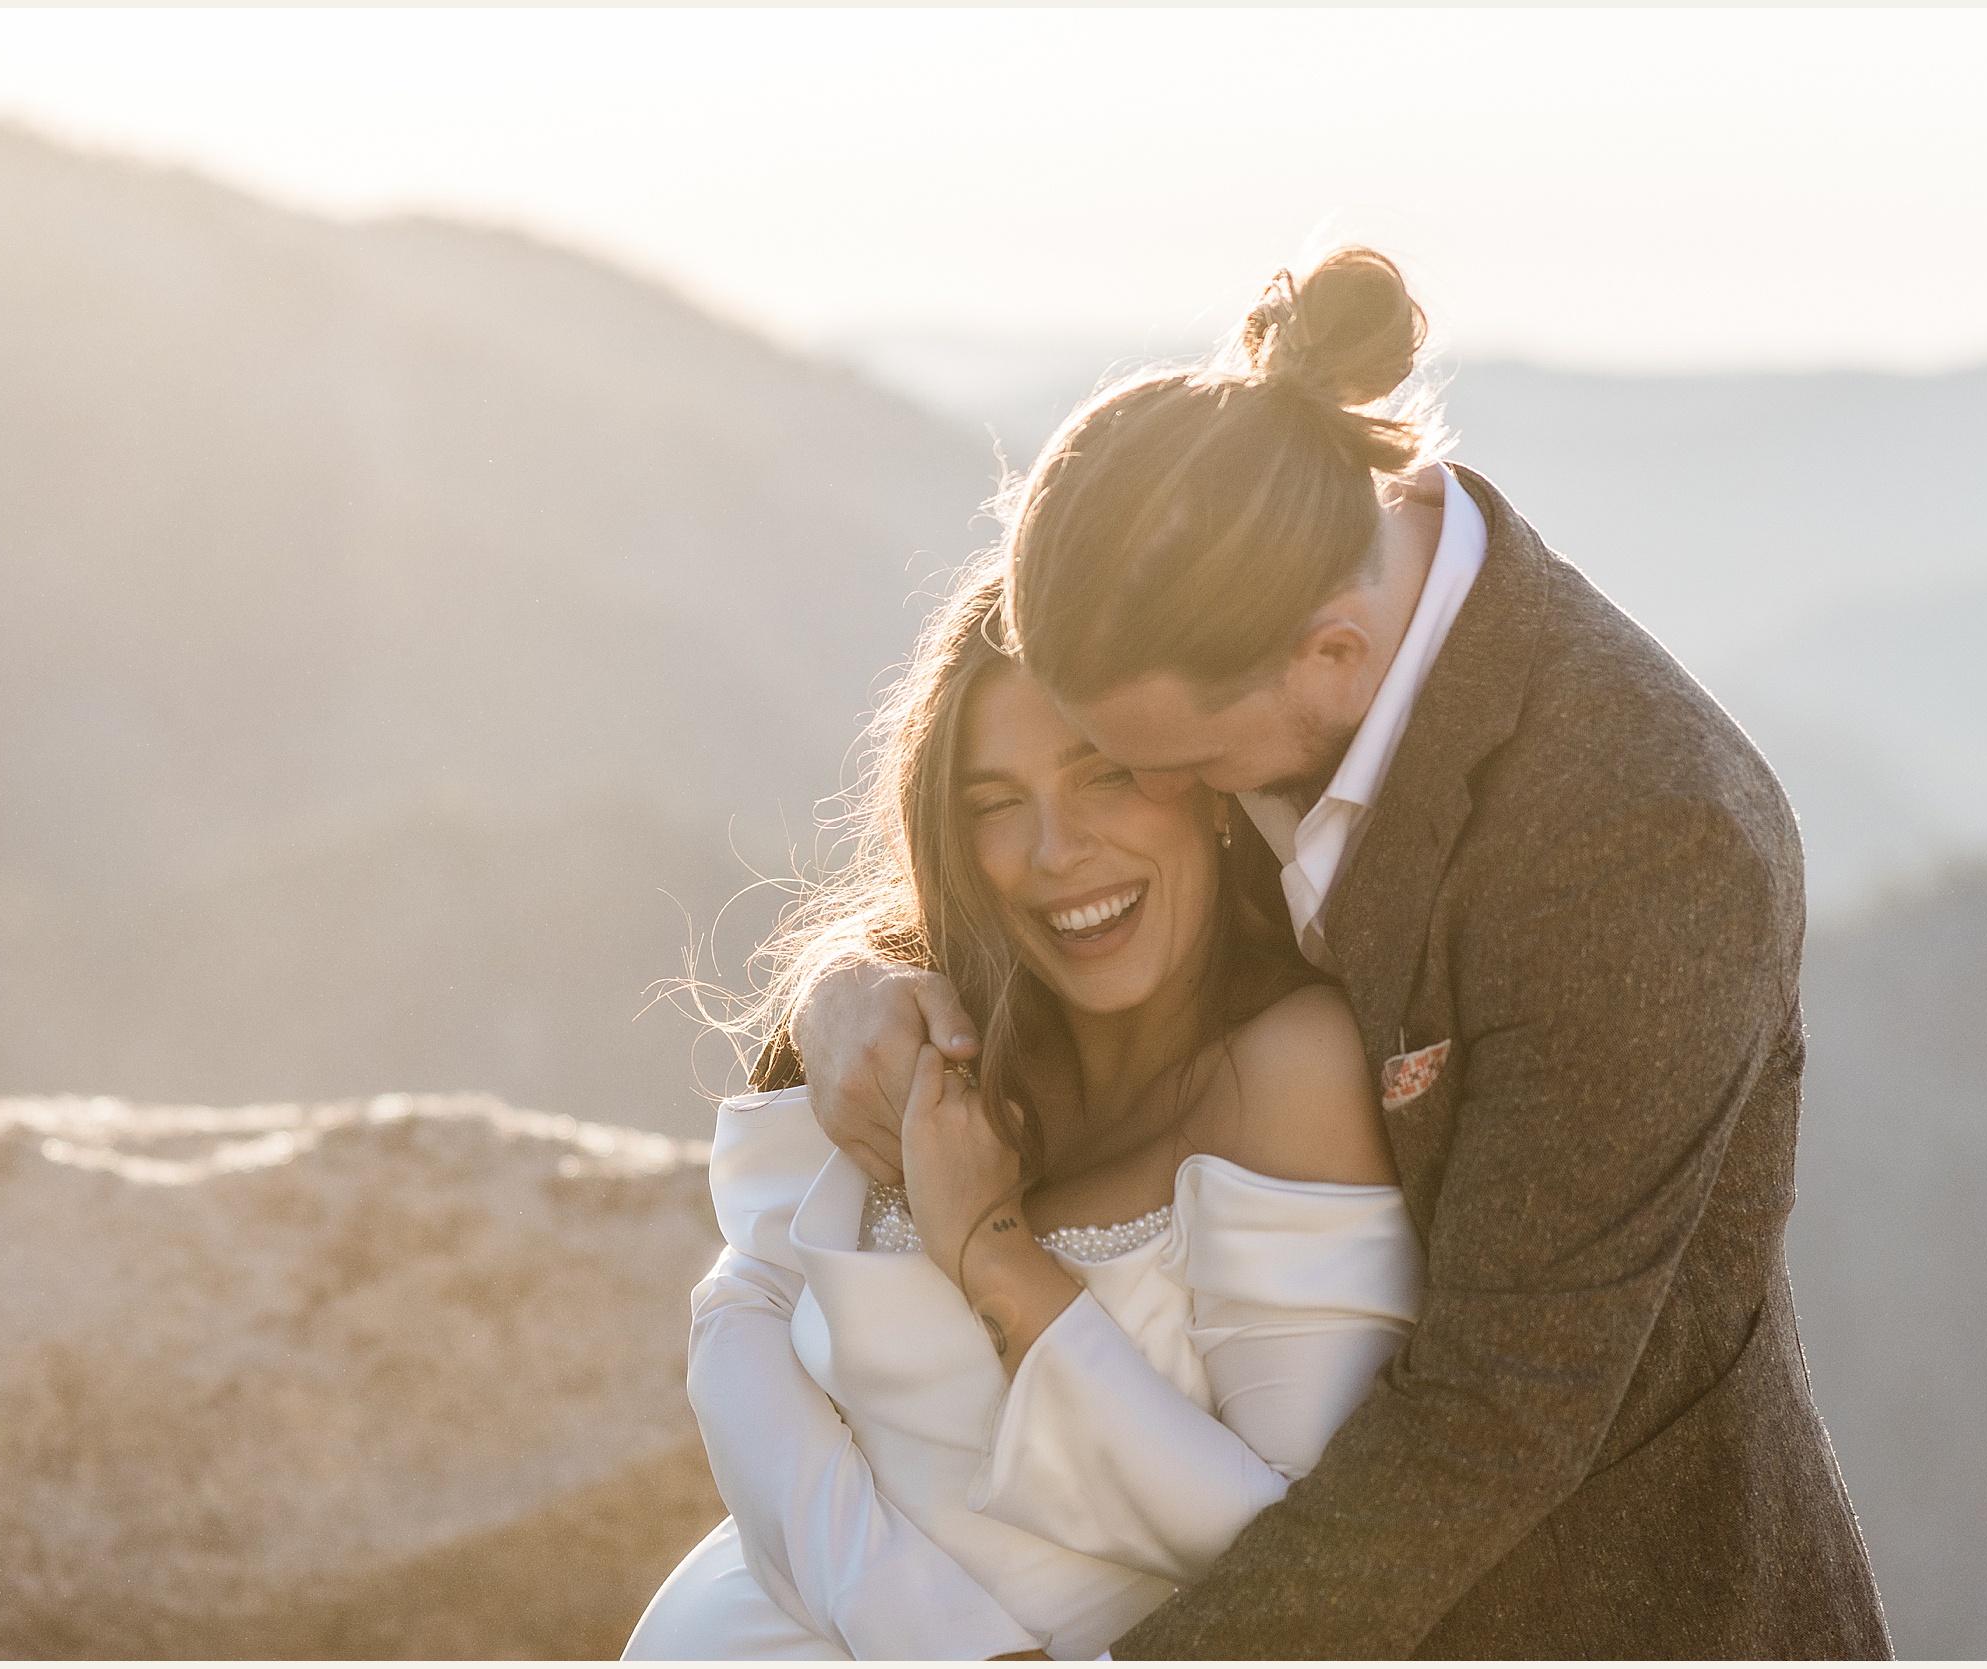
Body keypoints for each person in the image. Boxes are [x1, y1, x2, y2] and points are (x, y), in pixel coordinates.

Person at [790, 248, 1894, 1657]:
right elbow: (1029, 882)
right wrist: (847, 990)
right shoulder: (1224, 625)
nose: (1147, 806)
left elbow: (1493, 1418)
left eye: (1164, 766)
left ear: (1329, 654)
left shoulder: (1646, 838)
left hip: (1590, 1606)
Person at [623, 567, 1424, 1660]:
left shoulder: (1288, 1068)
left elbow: (1291, 1545)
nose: (1055, 852)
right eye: (995, 804)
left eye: (1103, 777)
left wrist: (994, 1257)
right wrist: (924, 1628)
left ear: (1203, 782)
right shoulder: (930, 1021)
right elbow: (738, 1313)